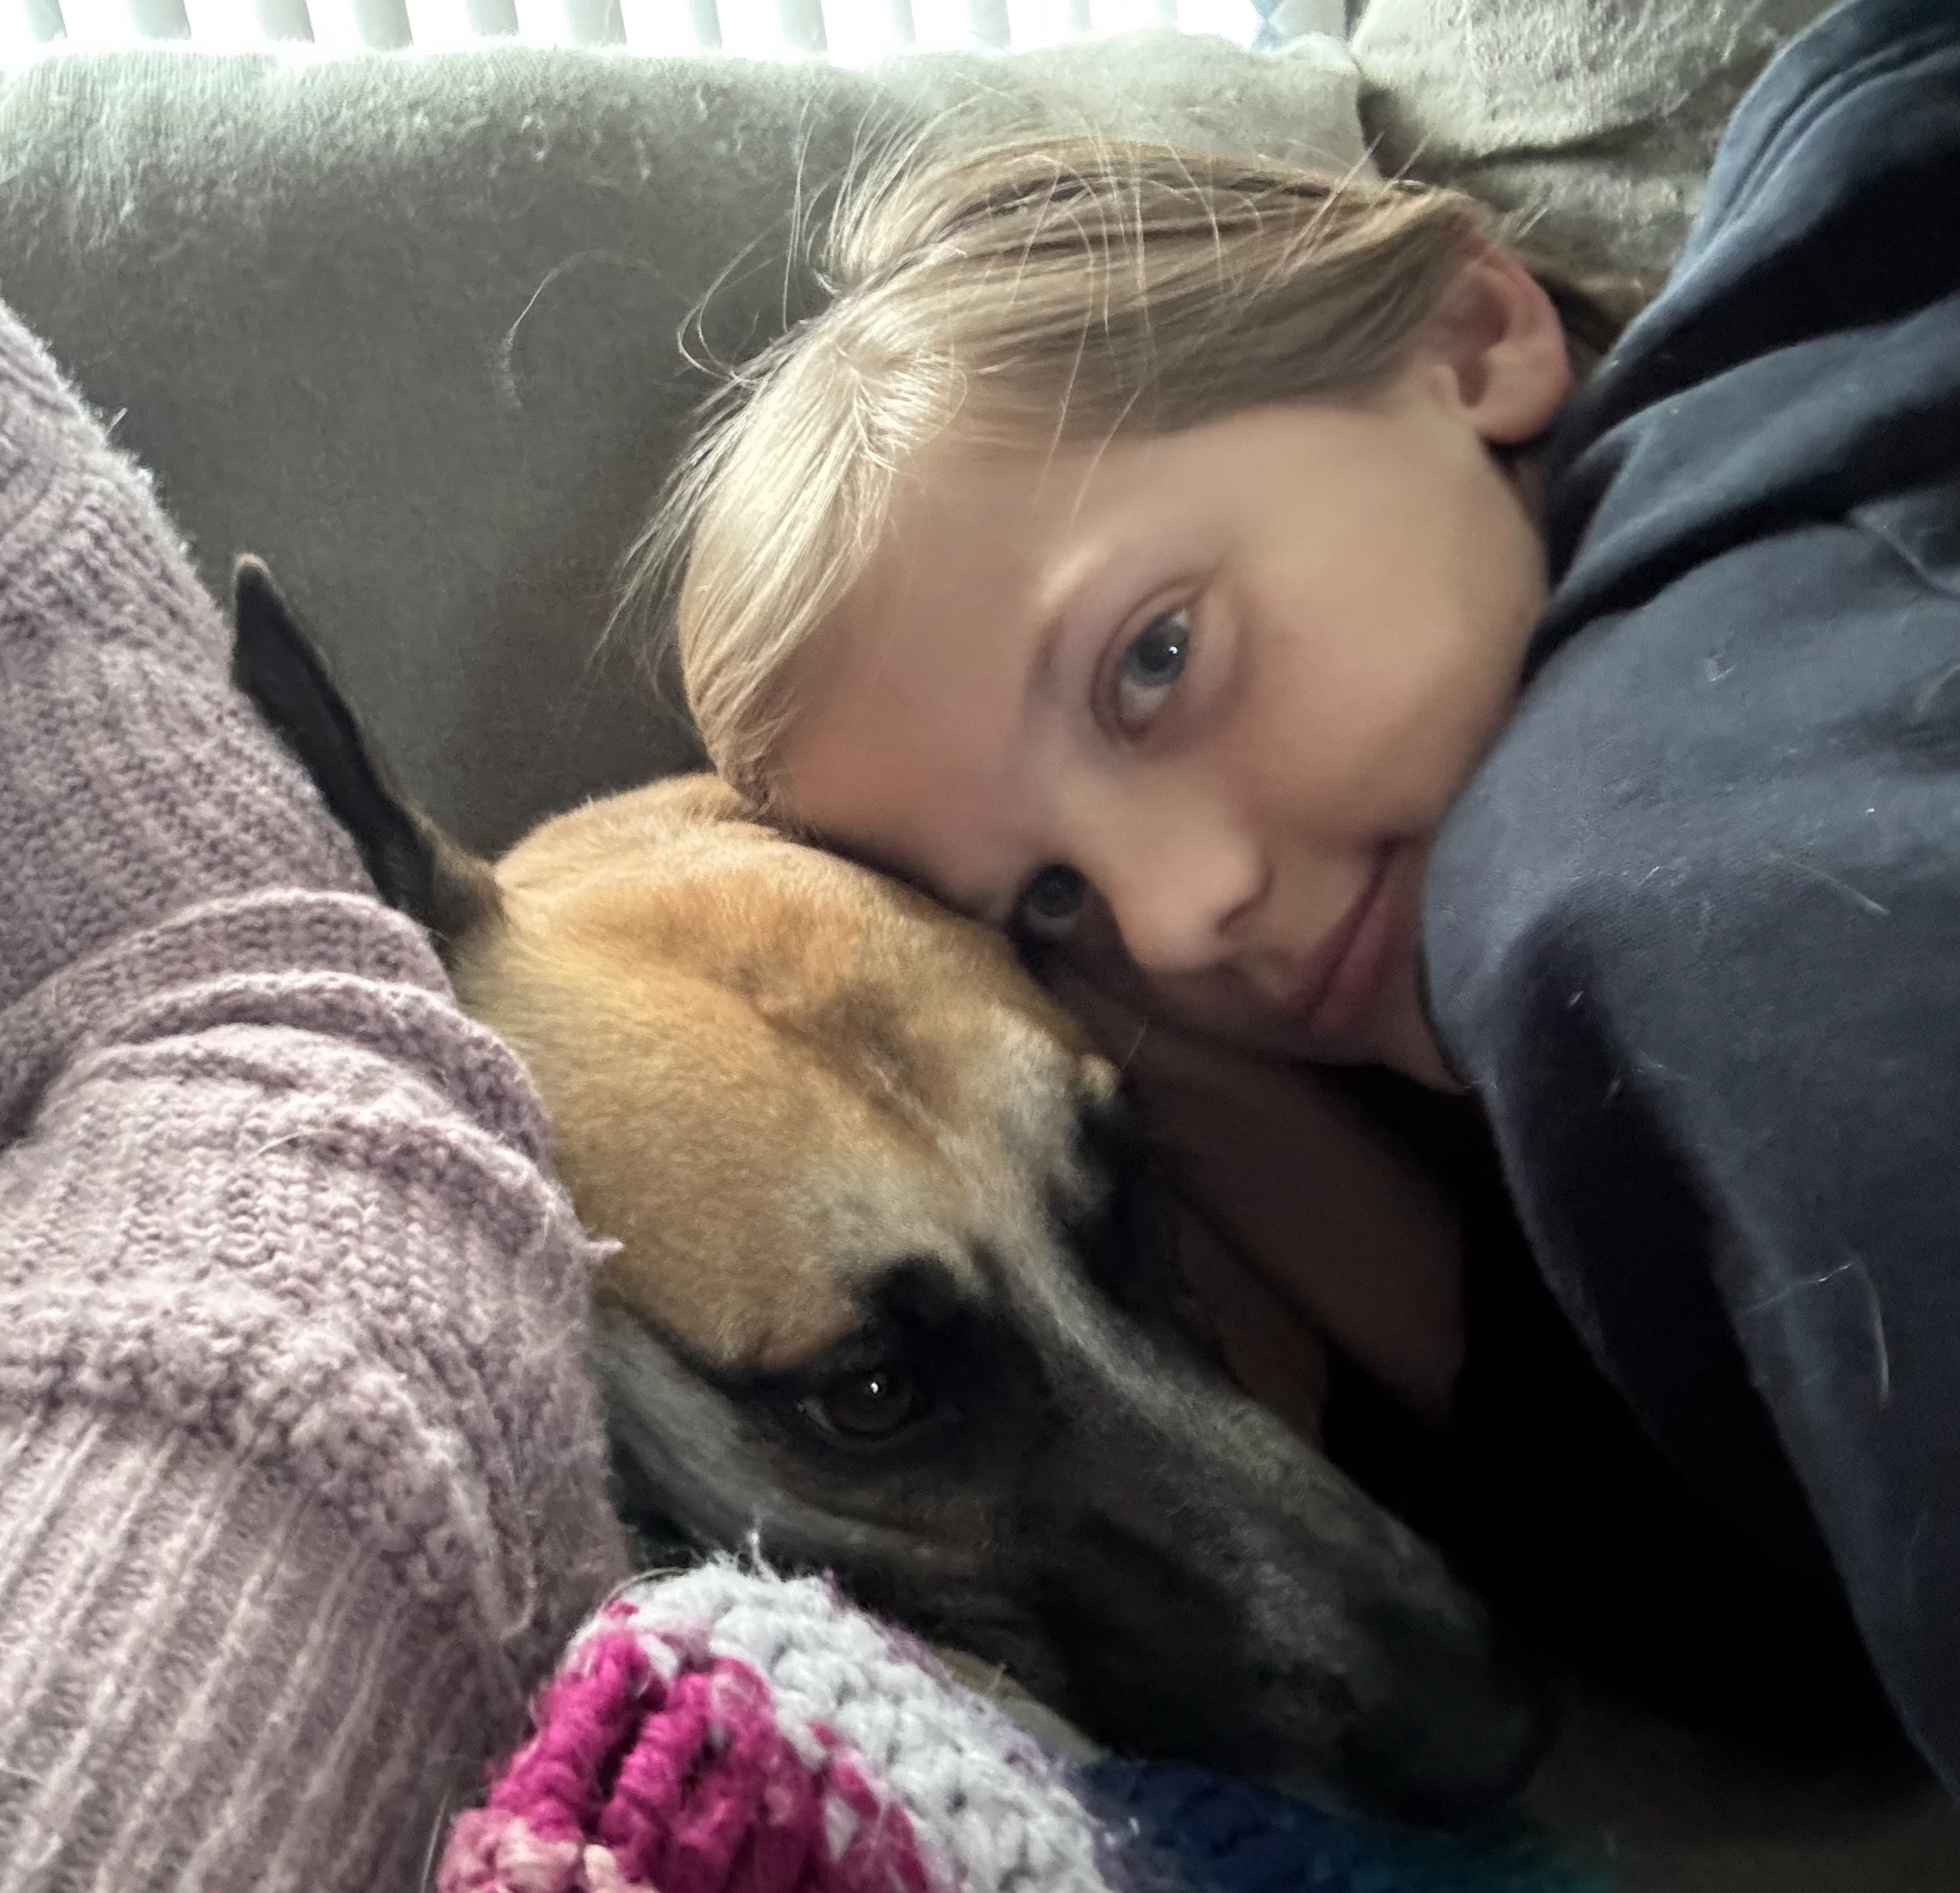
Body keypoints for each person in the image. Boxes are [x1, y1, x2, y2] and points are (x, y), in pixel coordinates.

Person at [654, 0, 1960, 1794]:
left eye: (1154, 660)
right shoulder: (1455, 920)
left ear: (1470, 338)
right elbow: (1753, 1605)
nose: (1176, 917)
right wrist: (1171, 1072)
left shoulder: (1631, 821)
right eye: (1048, 899)